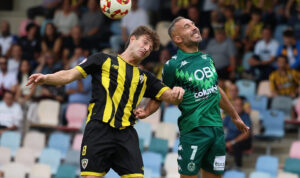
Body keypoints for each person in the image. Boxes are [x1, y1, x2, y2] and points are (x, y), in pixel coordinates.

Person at [26, 26, 185, 178]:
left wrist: (176, 92)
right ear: (132, 39)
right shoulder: (101, 60)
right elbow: (69, 75)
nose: (146, 48)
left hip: (126, 133)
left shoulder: (146, 77)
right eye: (145, 42)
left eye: (150, 48)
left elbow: (166, 95)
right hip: (98, 129)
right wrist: (46, 78)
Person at [134, 17, 249, 178]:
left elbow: (215, 89)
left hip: (216, 129)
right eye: (187, 26)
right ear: (178, 38)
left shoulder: (207, 58)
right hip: (194, 130)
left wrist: (235, 117)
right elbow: (160, 93)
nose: (195, 27)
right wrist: (147, 111)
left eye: (194, 24)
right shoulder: (172, 65)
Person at [223, 97, 252, 168]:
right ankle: (222, 167)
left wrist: (232, 142)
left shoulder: (245, 117)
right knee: (217, 143)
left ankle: (238, 167)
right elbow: (222, 127)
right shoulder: (229, 116)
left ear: (242, 106)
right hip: (229, 139)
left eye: (239, 105)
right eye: (235, 105)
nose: (237, 107)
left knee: (237, 145)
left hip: (242, 141)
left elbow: (246, 134)